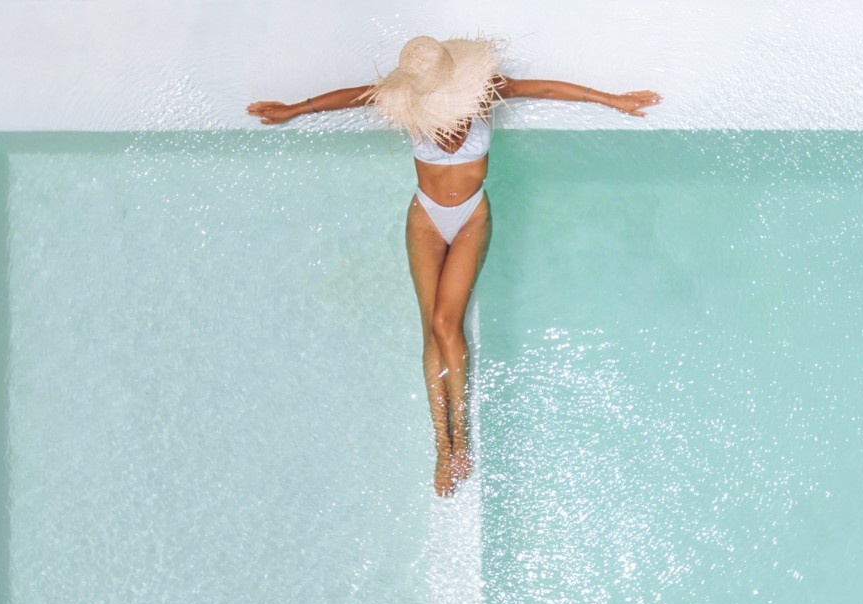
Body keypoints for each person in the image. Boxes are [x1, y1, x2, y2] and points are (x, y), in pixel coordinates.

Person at [247, 35, 661, 497]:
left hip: (470, 218)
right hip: (425, 218)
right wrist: (292, 109)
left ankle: (461, 435)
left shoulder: (482, 91)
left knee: (447, 324)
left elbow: (540, 90)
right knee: (431, 329)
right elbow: (351, 97)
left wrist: (612, 100)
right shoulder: (408, 101)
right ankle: (442, 447)